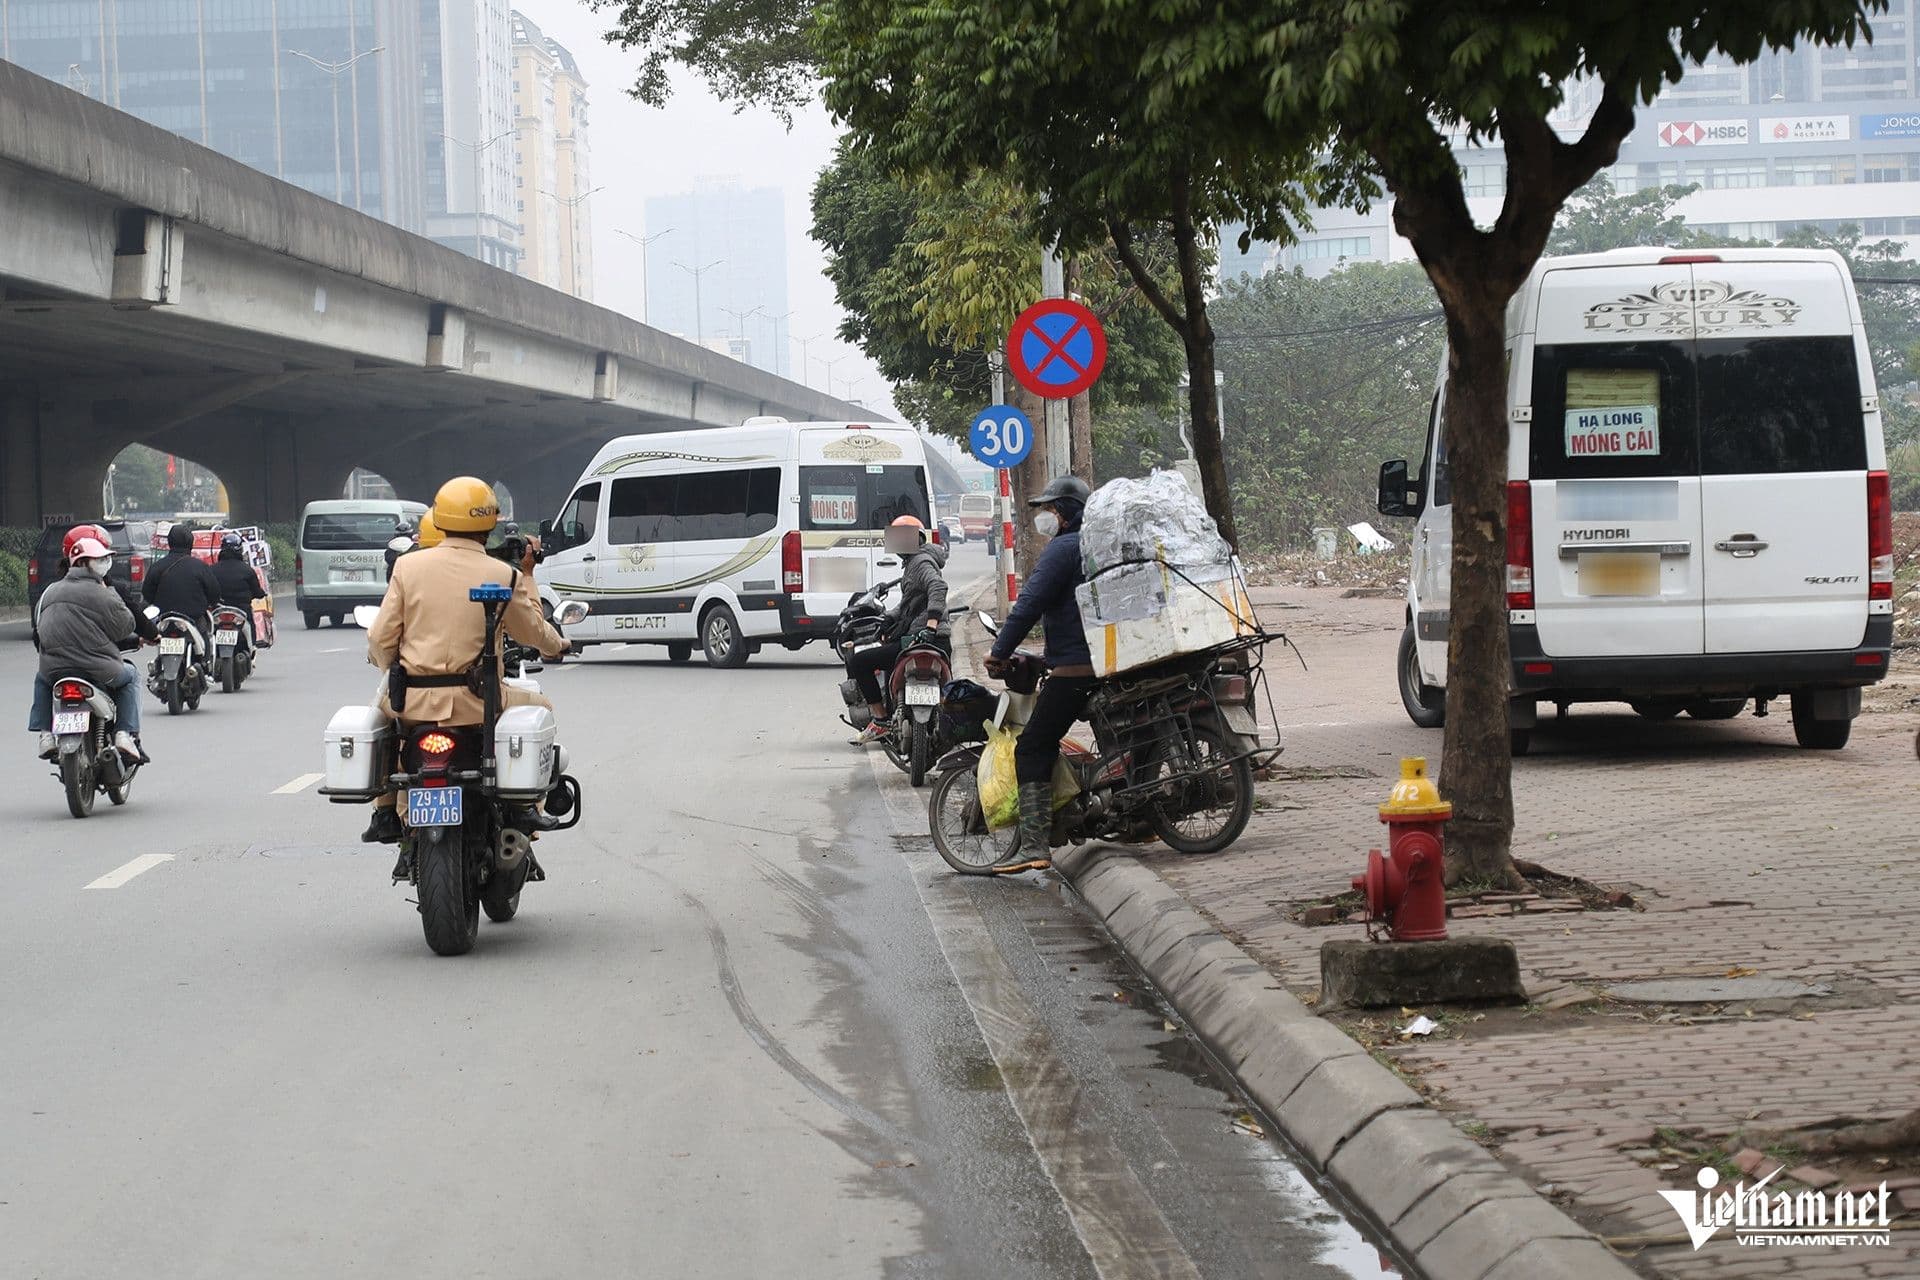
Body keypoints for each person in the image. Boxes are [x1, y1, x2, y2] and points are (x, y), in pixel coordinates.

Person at [361, 476, 573, 856]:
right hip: (479, 704)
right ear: (489, 524)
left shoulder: (408, 569)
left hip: (411, 702)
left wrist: (389, 666)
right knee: (542, 708)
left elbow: (380, 639)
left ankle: (385, 811)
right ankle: (527, 807)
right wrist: (558, 644)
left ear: (438, 520)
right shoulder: (502, 574)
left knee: (385, 726)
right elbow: (534, 634)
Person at [983, 475, 1094, 864]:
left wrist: (1000, 651)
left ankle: (1033, 847)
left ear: (1063, 515)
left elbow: (1029, 604)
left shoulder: (1063, 549)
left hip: (1079, 669)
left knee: (1032, 747)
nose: (1043, 516)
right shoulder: (1098, 546)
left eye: (1048, 509)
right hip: (1107, 661)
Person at [28, 533, 149, 762]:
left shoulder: (49, 592)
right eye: (99, 559)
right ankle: (125, 734)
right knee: (131, 676)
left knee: (42, 679)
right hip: (98, 670)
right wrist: (110, 591)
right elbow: (125, 626)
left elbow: (39, 633)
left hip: (55, 671)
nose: (105, 563)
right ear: (83, 563)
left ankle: (45, 735)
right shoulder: (102, 593)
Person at [847, 514, 950, 745]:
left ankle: (880, 721)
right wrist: (888, 619)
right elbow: (909, 604)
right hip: (935, 640)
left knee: (859, 662)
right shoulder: (915, 563)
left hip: (923, 639)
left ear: (917, 539)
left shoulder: (920, 563)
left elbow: (938, 587)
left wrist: (931, 625)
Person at [143, 523, 223, 649]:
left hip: (165, 620)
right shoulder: (200, 567)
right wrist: (211, 602)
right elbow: (214, 592)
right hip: (194, 619)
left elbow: (147, 592)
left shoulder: (157, 567)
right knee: (205, 640)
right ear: (190, 543)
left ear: (170, 542)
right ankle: (204, 663)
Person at [211, 534, 268, 637]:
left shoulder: (211, 570)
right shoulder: (248, 570)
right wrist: (261, 594)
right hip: (242, 611)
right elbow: (257, 591)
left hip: (217, 611)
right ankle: (252, 646)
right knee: (250, 626)